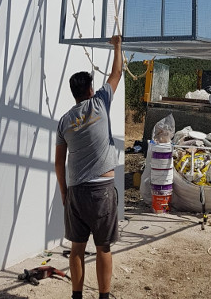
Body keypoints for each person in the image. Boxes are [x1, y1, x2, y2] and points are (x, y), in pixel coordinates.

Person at [55, 35, 122, 299]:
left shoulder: (64, 121)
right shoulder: (100, 103)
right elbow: (117, 72)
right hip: (102, 191)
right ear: (90, 90)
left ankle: (77, 297)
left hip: (76, 192)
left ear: (74, 93)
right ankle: (104, 297)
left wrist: (64, 192)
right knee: (103, 247)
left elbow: (59, 161)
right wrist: (117, 46)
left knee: (77, 249)